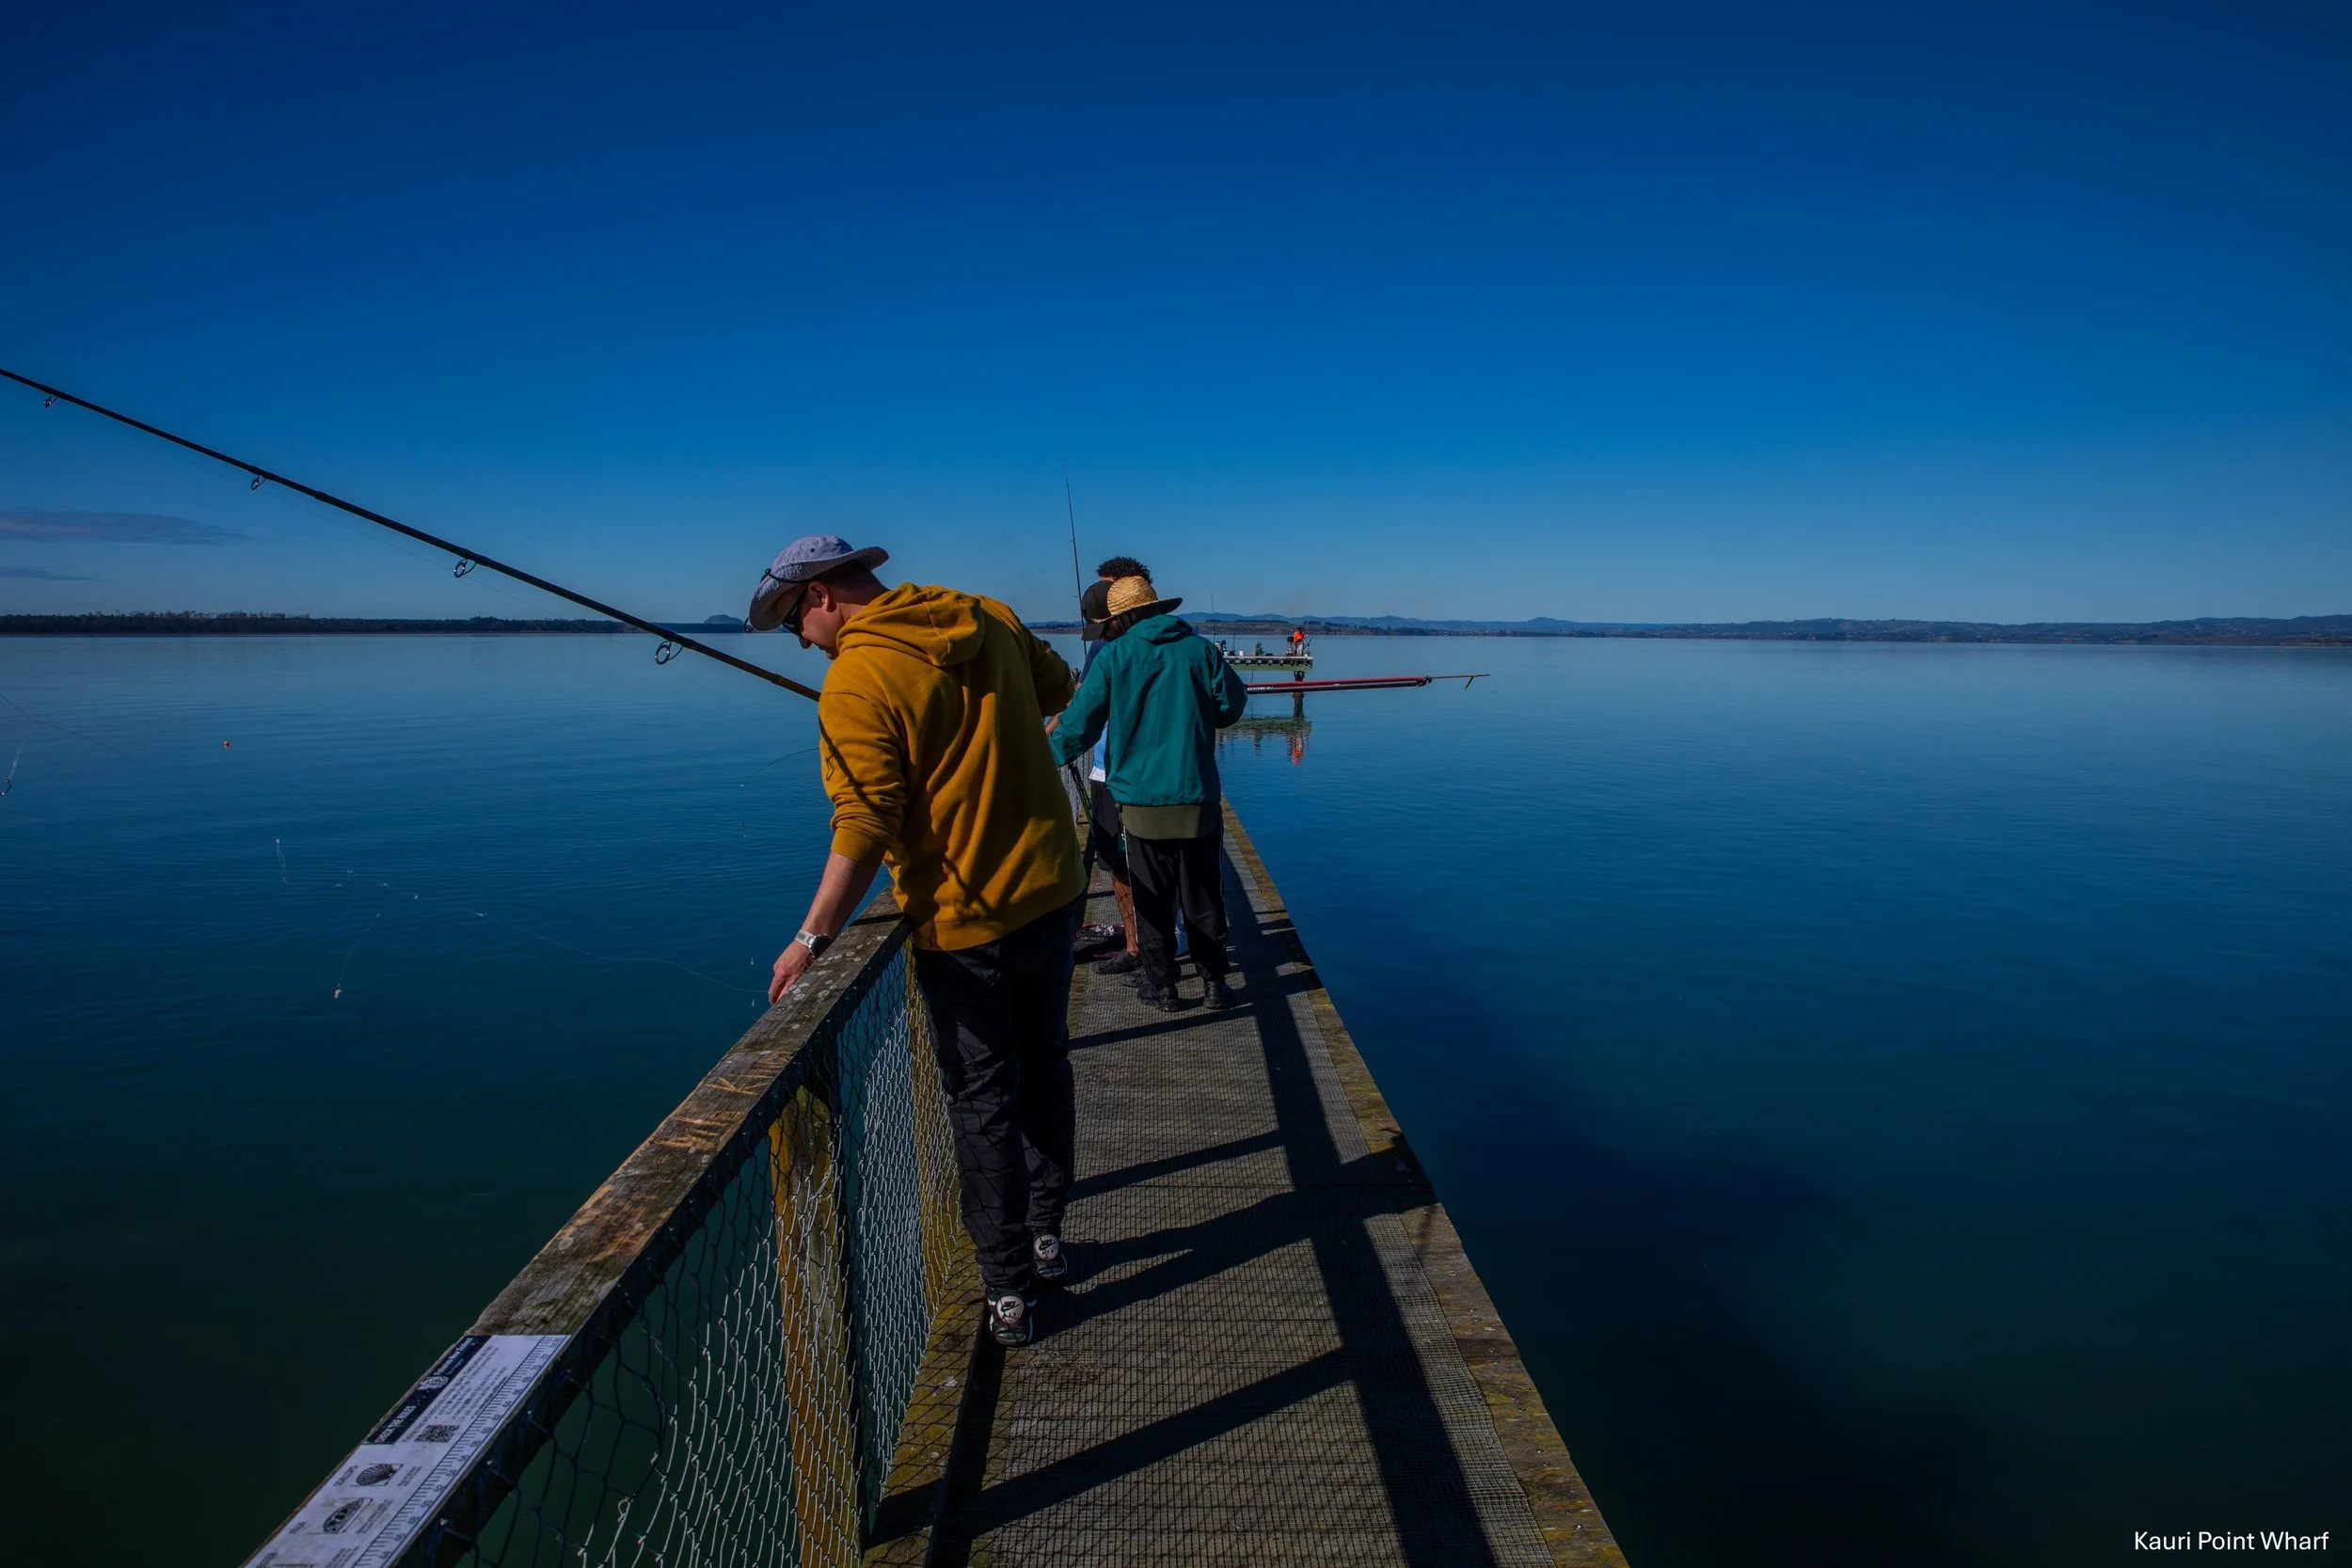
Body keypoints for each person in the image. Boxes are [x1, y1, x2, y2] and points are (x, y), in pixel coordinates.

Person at [752, 534, 1084, 1349]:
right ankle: (1046, 1231)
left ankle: (1007, 1287)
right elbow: (1058, 687)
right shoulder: (986, 615)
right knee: (1045, 1064)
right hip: (1054, 890)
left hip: (967, 925)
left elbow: (865, 822)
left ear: (825, 592)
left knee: (981, 1100)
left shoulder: (854, 681)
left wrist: (810, 937)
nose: (801, 639)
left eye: (796, 618)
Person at [1050, 573, 1249, 1011]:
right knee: (1203, 896)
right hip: (1197, 798)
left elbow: (1077, 728)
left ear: (1122, 619)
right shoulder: (1200, 649)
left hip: (1140, 805)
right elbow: (1231, 707)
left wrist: (1037, 759)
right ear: (1158, 610)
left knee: (1152, 899)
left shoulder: (1114, 658)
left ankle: (1165, 988)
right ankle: (1215, 985)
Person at [1073, 567, 1144, 977]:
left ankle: (1138, 947)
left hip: (1110, 771)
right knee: (1154, 863)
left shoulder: (1104, 650)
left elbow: (1081, 710)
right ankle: (1159, 948)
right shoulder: (1177, 647)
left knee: (1121, 864)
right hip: (1149, 772)